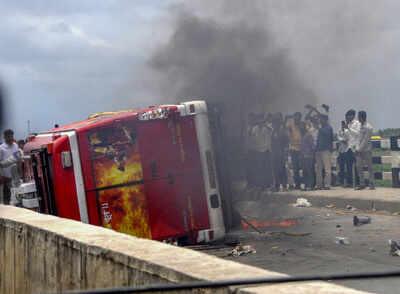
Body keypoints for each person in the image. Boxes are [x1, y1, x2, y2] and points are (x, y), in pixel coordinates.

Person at [355, 111, 374, 190]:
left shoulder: (369, 127)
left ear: (362, 117)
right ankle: (362, 183)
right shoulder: (359, 126)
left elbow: (365, 140)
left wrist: (359, 149)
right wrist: (357, 148)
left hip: (367, 150)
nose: (358, 118)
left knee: (370, 167)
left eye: (358, 117)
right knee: (359, 167)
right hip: (359, 150)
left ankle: (371, 184)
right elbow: (358, 139)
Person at [286, 112, 306, 189]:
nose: (297, 119)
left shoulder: (302, 124)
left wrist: (301, 126)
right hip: (293, 149)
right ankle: (297, 184)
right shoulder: (290, 124)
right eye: (295, 118)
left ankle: (305, 184)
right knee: (295, 168)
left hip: (301, 149)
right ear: (294, 118)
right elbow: (286, 130)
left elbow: (306, 132)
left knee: (303, 167)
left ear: (300, 118)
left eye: (298, 118)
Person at [0, 129, 19, 204]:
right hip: (6, 176)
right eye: (8, 136)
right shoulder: (1, 148)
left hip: (15, 175)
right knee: (7, 196)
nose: (10, 137)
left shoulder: (16, 146)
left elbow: (18, 159)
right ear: (4, 137)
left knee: (17, 195)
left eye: (11, 135)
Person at [271, 114, 289, 192]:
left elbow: (286, 144)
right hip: (274, 154)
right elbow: (272, 143)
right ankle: (277, 185)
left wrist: (285, 154)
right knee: (275, 170)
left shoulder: (283, 132)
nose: (274, 124)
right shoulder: (273, 132)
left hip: (281, 154)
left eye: (275, 123)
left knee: (282, 170)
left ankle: (284, 186)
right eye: (274, 123)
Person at [343, 109, 361, 187]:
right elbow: (347, 136)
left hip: (355, 147)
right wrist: (344, 130)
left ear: (353, 115)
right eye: (347, 116)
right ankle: (350, 183)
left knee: (357, 166)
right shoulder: (348, 124)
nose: (347, 117)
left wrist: (349, 128)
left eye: (348, 115)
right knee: (348, 166)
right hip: (349, 147)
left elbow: (357, 134)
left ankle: (358, 182)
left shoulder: (357, 123)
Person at [315, 114, 333, 189]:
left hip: (326, 150)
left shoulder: (328, 127)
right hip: (319, 149)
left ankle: (327, 184)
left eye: (321, 119)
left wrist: (319, 129)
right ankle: (319, 184)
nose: (320, 120)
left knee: (327, 169)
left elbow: (327, 135)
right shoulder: (321, 128)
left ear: (325, 120)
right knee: (318, 168)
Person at [301, 125, 316, 190]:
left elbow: (312, 146)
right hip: (305, 155)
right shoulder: (305, 135)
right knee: (306, 171)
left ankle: (310, 185)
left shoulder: (308, 135)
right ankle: (307, 185)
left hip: (309, 155)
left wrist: (312, 154)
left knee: (309, 171)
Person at [337, 120, 349, 187]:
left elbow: (348, 138)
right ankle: (341, 181)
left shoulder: (347, 131)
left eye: (344, 124)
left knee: (347, 167)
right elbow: (338, 137)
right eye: (342, 124)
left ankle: (347, 182)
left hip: (346, 150)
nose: (343, 125)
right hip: (341, 150)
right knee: (341, 167)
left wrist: (344, 140)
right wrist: (343, 140)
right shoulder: (339, 130)